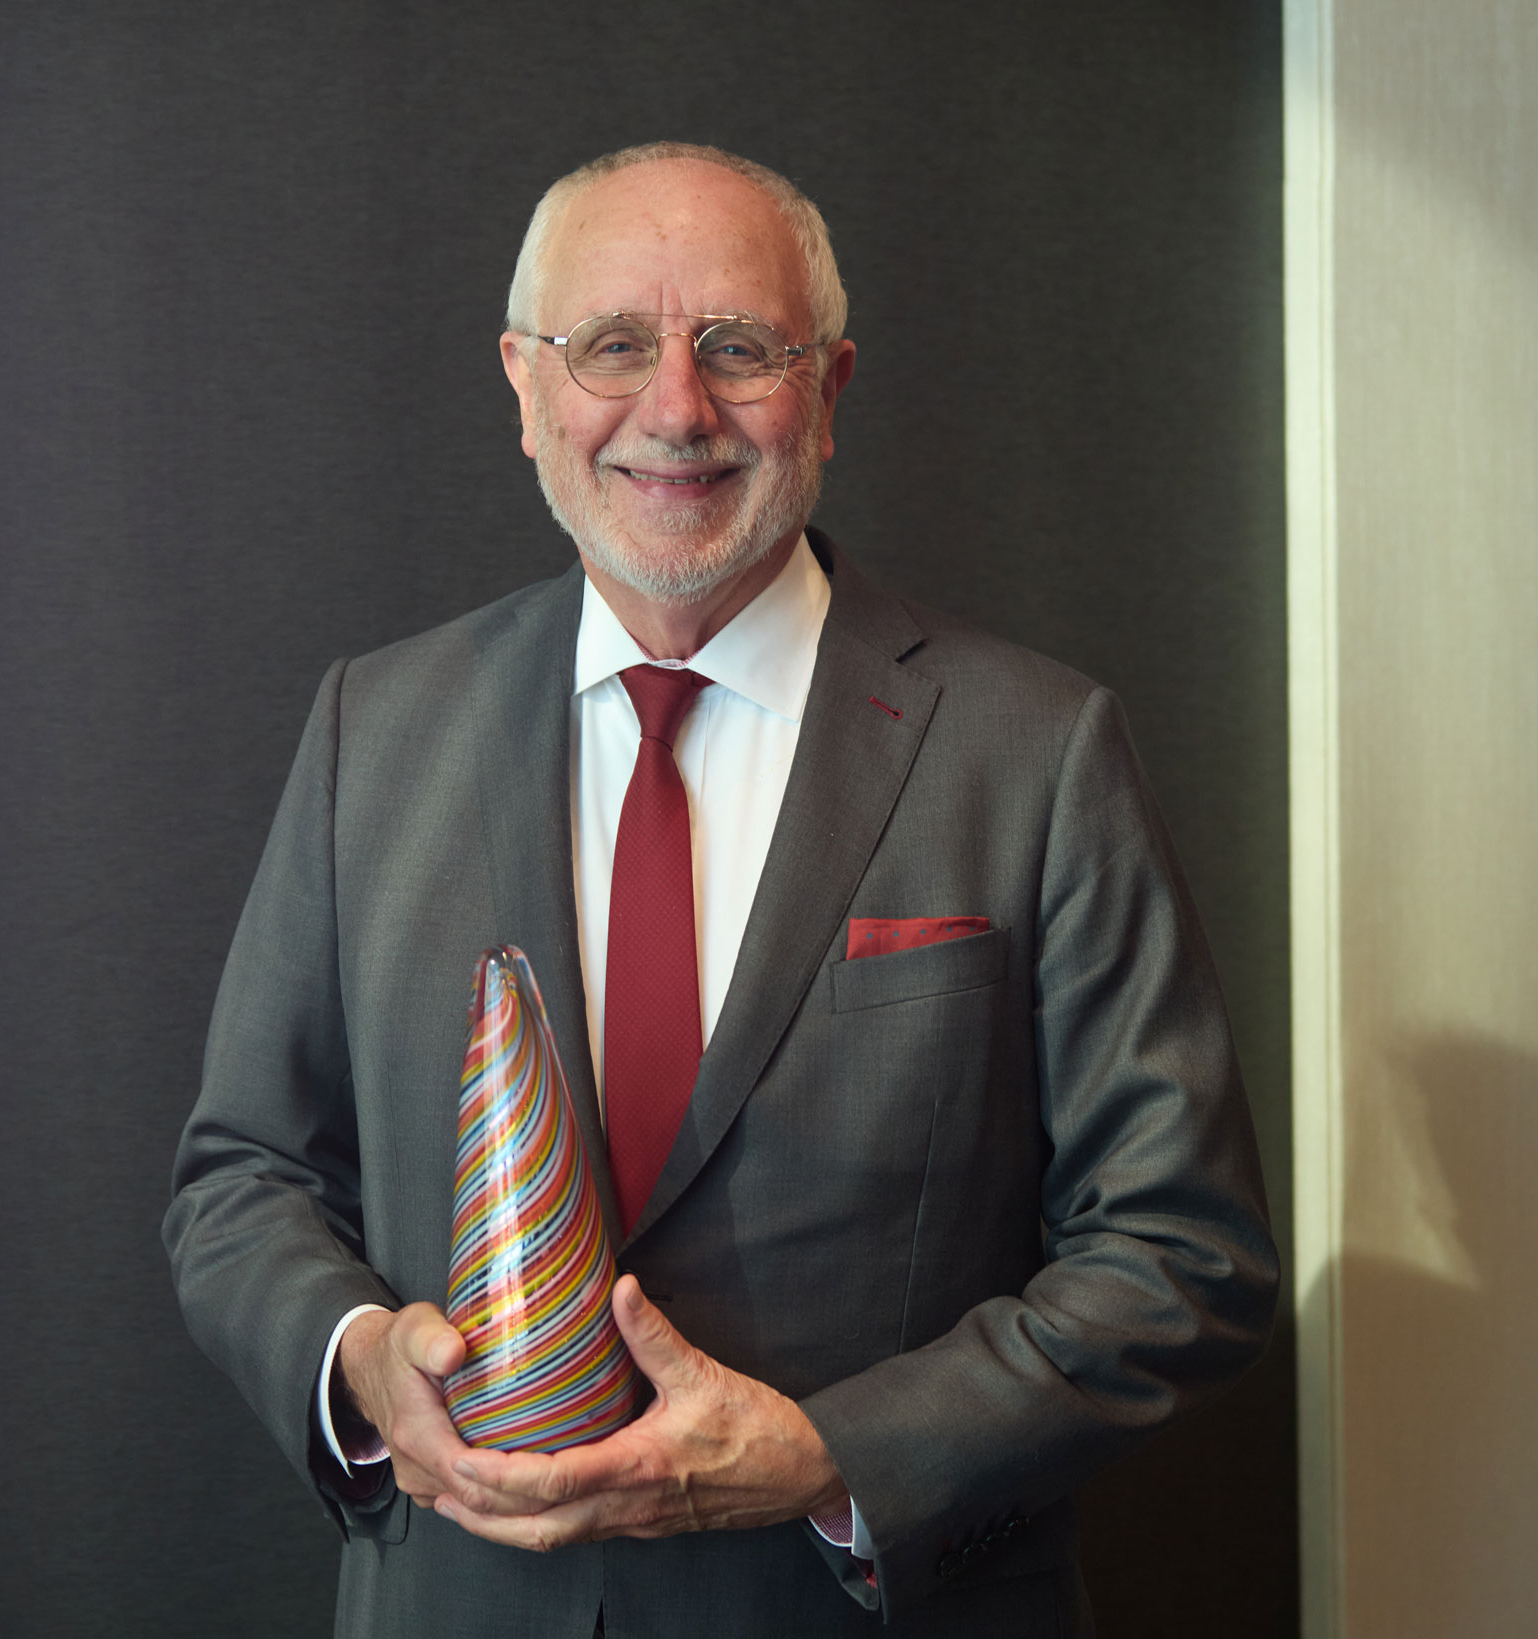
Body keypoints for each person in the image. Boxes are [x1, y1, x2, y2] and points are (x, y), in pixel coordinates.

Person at [165, 142, 1278, 1638]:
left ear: (829, 387)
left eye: (739, 349)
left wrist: (831, 1457)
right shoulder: (377, 728)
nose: (676, 408)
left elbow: (1184, 1253)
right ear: (525, 388)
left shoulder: (1037, 749)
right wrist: (359, 1359)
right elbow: (243, 1177)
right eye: (612, 345)